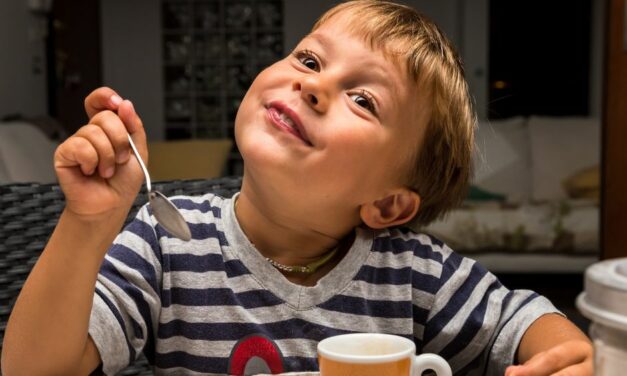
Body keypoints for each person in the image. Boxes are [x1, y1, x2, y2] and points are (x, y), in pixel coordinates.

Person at [2, 1, 592, 375]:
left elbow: (530, 321)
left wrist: (571, 355)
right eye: (309, 59)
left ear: (388, 203)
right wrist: (88, 223)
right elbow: (33, 369)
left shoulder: (412, 273)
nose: (314, 86)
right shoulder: (166, 241)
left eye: (363, 99)